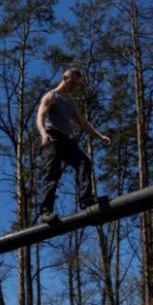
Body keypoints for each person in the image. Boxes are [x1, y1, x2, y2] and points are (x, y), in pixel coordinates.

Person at [35, 68, 110, 223]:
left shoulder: (70, 102)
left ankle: (86, 199)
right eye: (72, 83)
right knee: (53, 173)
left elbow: (83, 123)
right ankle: (45, 211)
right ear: (64, 77)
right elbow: (40, 117)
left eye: (77, 84)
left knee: (84, 162)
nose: (74, 87)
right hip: (52, 138)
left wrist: (100, 135)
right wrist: (43, 134)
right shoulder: (50, 96)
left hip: (65, 139)